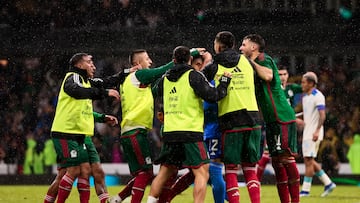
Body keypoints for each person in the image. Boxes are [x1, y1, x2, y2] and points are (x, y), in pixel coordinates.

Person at [146, 46, 231, 203]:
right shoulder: (193, 76)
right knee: (202, 172)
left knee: (165, 171)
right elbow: (213, 96)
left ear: (173, 61)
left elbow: (154, 91)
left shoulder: (164, 79)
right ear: (190, 60)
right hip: (190, 131)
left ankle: (150, 201)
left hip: (170, 132)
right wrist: (224, 83)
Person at [49, 53, 120, 203]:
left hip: (80, 134)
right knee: (70, 172)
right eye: (89, 62)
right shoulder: (73, 77)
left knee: (90, 171)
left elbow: (85, 109)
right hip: (66, 132)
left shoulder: (87, 82)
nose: (93, 65)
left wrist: (102, 117)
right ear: (79, 65)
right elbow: (74, 90)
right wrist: (105, 93)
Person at [110, 49, 177, 203]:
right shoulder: (139, 74)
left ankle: (118, 199)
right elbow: (159, 71)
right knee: (145, 174)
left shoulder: (129, 82)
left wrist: (165, 80)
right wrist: (182, 58)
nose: (150, 62)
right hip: (136, 132)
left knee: (143, 173)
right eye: (147, 59)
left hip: (128, 133)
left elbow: (151, 93)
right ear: (138, 64)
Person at [201, 31, 262, 203]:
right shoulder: (247, 62)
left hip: (231, 120)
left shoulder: (214, 65)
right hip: (253, 118)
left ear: (218, 46)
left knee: (231, 169)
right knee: (250, 168)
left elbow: (197, 82)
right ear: (234, 45)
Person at [239, 34, 300, 203]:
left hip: (281, 116)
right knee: (276, 162)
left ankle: (295, 200)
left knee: (286, 158)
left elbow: (268, 76)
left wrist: (250, 62)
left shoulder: (263, 59)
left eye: (243, 45)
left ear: (253, 47)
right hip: (271, 119)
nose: (240, 48)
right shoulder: (252, 65)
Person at [44, 112, 118, 203]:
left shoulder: (87, 100)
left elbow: (85, 111)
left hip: (86, 137)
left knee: (96, 171)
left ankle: (104, 201)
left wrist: (103, 118)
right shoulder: (74, 99)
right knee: (64, 174)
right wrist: (102, 116)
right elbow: (80, 111)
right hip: (71, 136)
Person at [300, 71, 336, 197]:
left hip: (313, 134)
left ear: (311, 83)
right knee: (309, 160)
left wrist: (317, 130)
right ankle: (328, 183)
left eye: (303, 82)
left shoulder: (318, 96)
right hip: (307, 132)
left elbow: (322, 115)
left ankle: (305, 190)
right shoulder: (305, 97)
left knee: (308, 161)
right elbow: (308, 115)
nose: (302, 85)